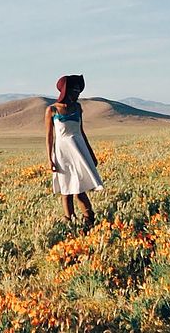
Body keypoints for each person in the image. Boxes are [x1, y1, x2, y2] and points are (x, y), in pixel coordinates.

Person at [45, 74, 104, 228]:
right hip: (62, 152)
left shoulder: (77, 108)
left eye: (78, 92)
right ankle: (69, 221)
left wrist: (91, 154)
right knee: (66, 189)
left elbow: (81, 132)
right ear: (65, 91)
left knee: (79, 188)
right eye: (74, 91)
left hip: (78, 150)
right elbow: (49, 137)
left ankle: (89, 219)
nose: (77, 95)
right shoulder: (51, 110)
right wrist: (50, 159)